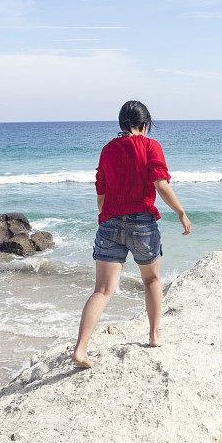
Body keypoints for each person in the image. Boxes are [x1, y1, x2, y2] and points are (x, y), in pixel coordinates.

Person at [72, 100, 191, 368]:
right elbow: (160, 184)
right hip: (143, 224)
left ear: (120, 124)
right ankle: (154, 336)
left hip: (110, 223)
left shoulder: (107, 150)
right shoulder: (151, 146)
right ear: (145, 124)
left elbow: (101, 190)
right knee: (151, 280)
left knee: (102, 290)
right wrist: (181, 212)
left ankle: (80, 349)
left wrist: (105, 216)